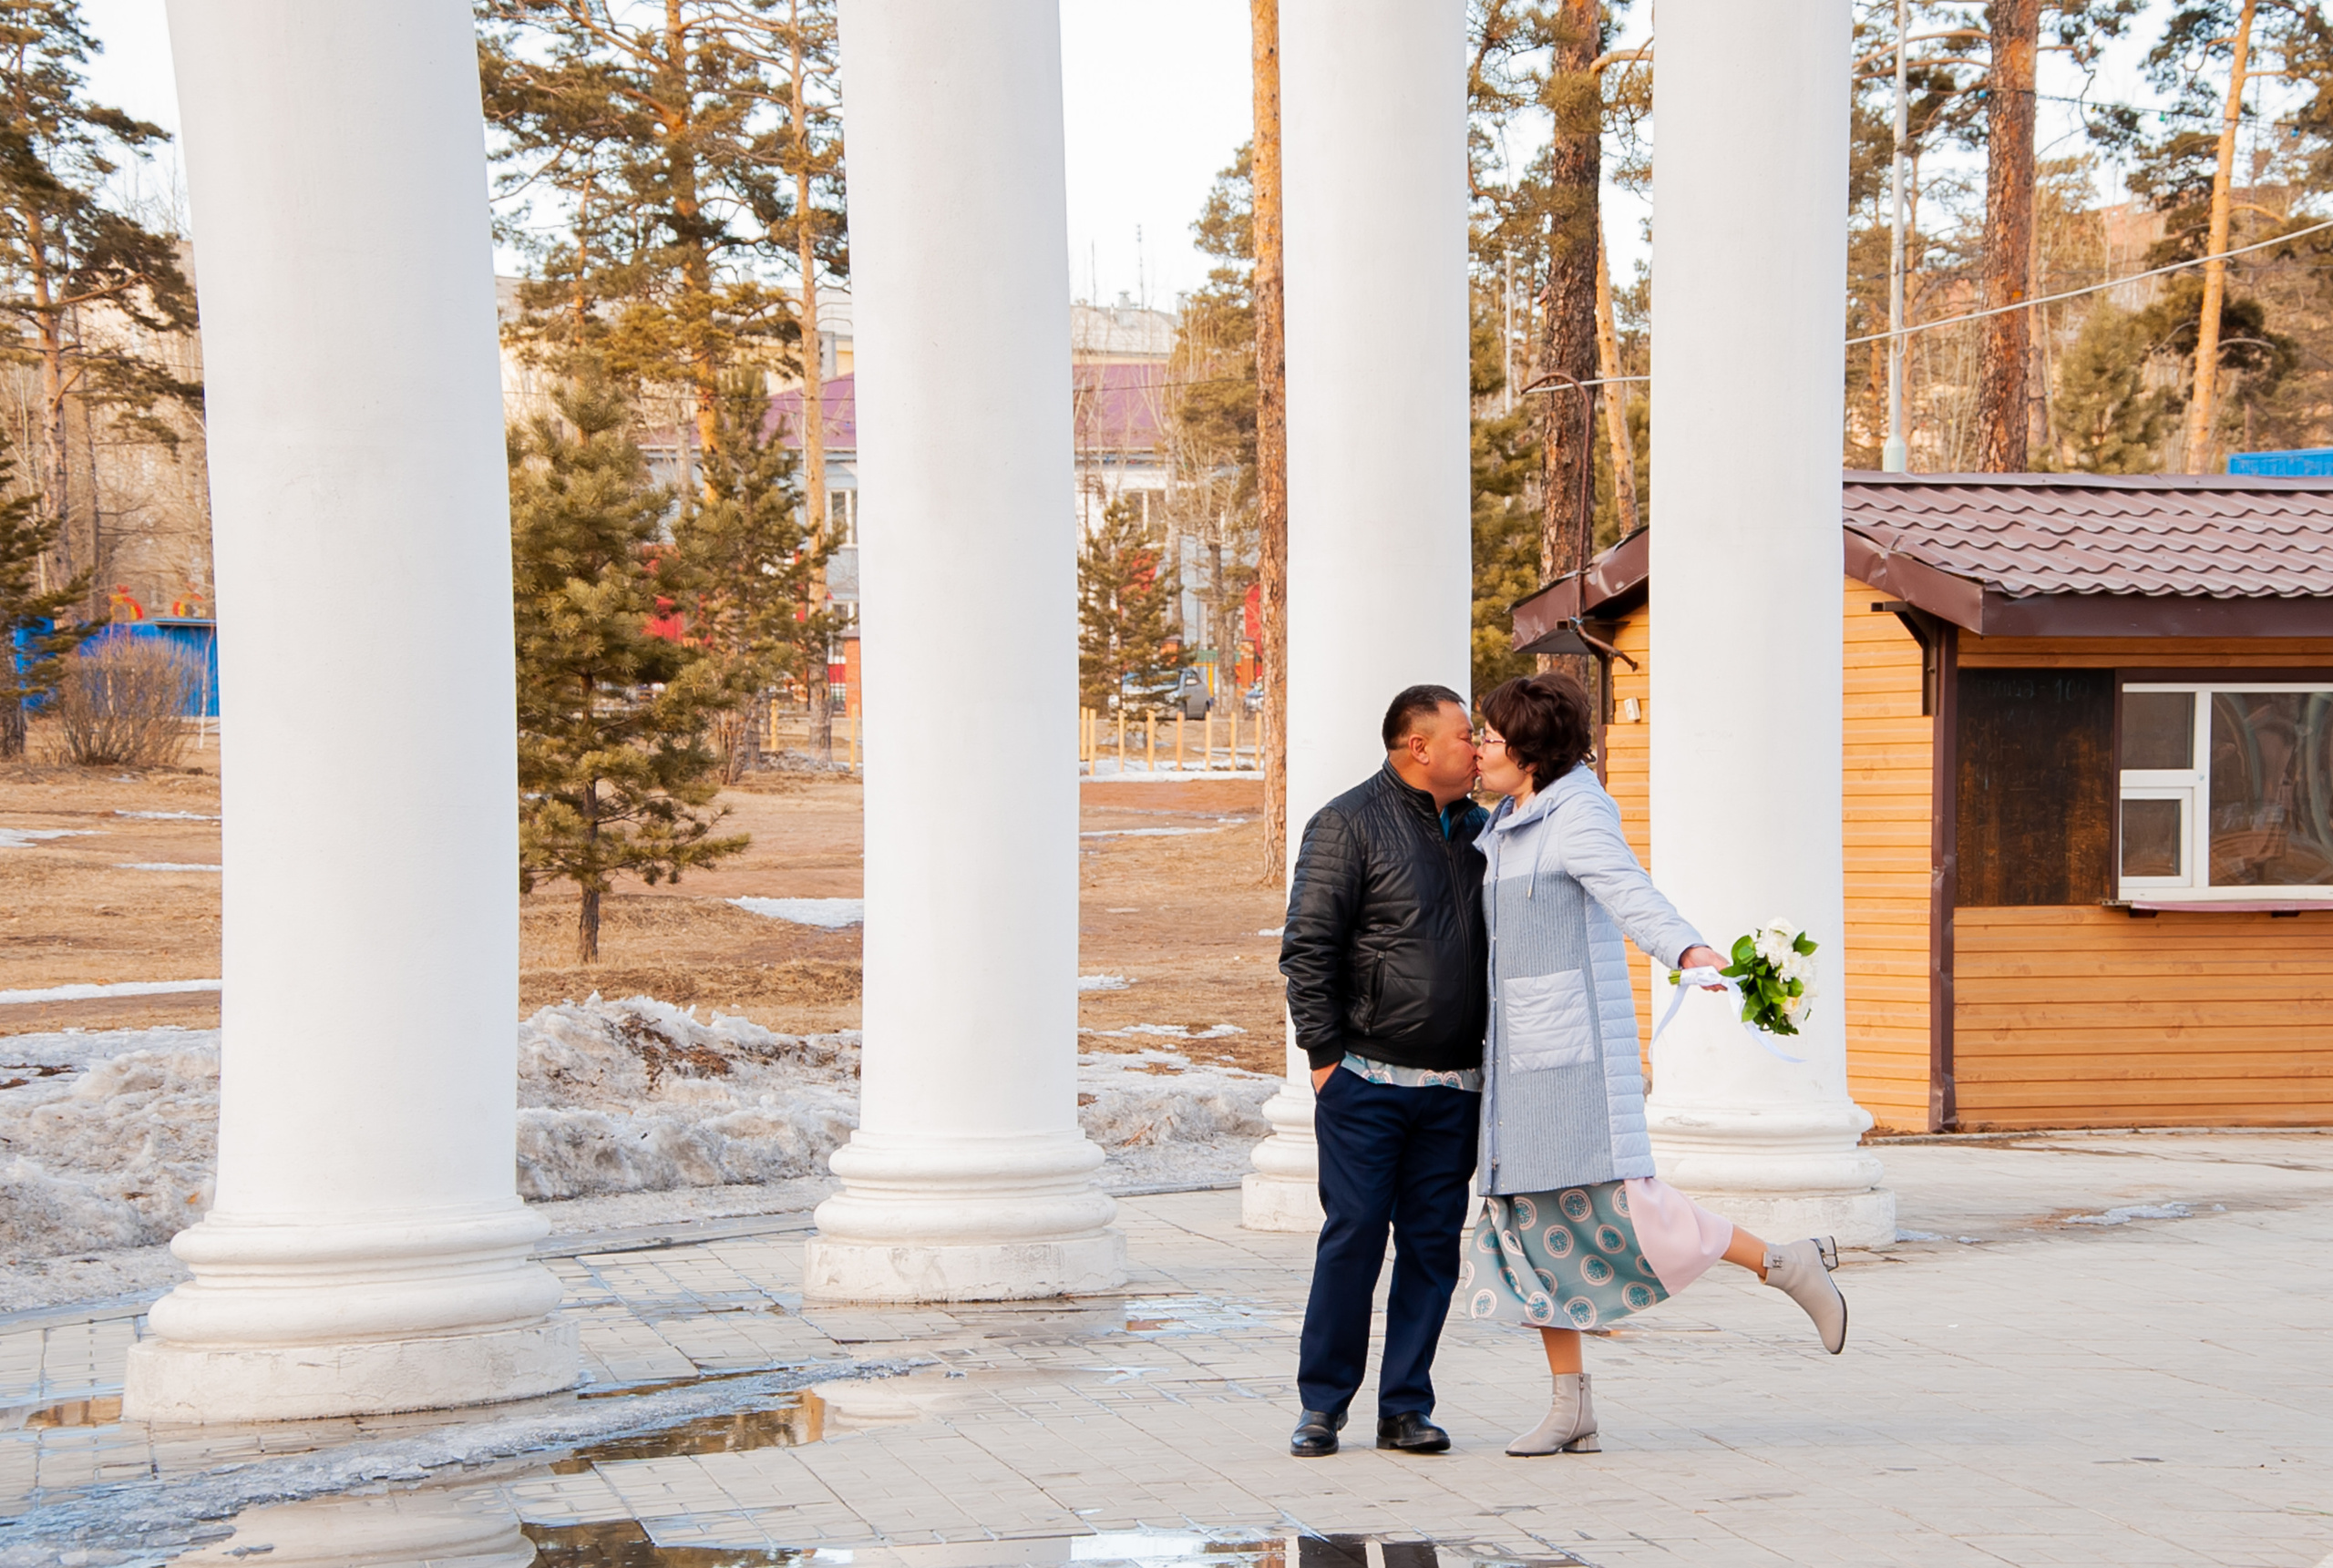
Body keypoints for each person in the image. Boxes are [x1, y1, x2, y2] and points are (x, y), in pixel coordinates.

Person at [1465, 671, 1849, 1458]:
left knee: (1630, 1204)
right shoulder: (1507, 818)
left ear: (1530, 754)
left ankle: (1784, 1261)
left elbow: (1630, 892)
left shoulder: (1576, 816)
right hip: (1518, 1062)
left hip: (1569, 1058)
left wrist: (1688, 948)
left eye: (1491, 739)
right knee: (1527, 1222)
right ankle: (1571, 1406)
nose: (1478, 749)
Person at [1278, 684, 1487, 1459]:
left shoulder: (1483, 830)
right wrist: (1326, 1059)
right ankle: (1322, 1405)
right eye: (1466, 734)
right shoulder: (1346, 823)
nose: (1478, 746)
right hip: (1365, 1080)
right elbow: (1308, 948)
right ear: (1417, 747)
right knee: (1356, 1235)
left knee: (1433, 1246)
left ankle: (1406, 1406)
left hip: (1454, 1087)